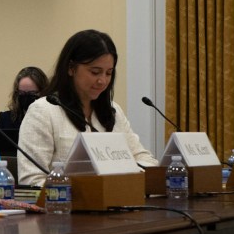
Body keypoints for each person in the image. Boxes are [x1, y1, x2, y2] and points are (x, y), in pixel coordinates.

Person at [18, 29, 158, 186]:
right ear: (71, 68)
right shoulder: (43, 111)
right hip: (64, 207)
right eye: (95, 72)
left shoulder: (114, 111)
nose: (102, 81)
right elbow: (31, 180)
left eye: (108, 73)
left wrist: (126, 181)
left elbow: (144, 159)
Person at [0, 66, 49, 130]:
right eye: (22, 93)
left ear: (43, 93)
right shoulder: (5, 120)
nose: (26, 97)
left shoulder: (51, 120)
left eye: (32, 93)